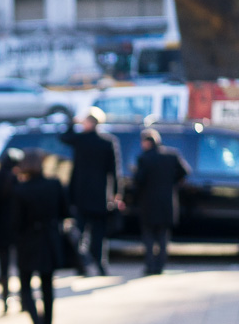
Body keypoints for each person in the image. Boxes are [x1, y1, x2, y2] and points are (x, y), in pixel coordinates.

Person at [12, 149, 70, 324]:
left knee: (26, 287)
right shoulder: (54, 185)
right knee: (47, 286)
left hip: (28, 241)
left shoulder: (20, 190)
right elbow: (65, 211)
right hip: (49, 238)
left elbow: (16, 222)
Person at [61, 107, 121, 276]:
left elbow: (64, 137)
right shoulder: (107, 142)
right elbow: (114, 171)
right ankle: (100, 265)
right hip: (99, 196)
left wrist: (72, 123)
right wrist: (116, 192)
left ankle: (82, 265)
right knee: (98, 235)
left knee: (79, 233)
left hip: (80, 195)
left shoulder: (81, 139)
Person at [134, 128, 190, 275]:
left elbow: (138, 180)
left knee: (149, 237)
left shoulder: (144, 158)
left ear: (147, 142)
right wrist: (173, 184)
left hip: (148, 203)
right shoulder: (172, 155)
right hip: (167, 202)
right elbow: (185, 172)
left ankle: (150, 265)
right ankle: (160, 266)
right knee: (163, 237)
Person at [0, 147, 23, 313]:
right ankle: (23, 298)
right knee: (22, 265)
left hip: (0, 229)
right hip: (17, 229)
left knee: (4, 266)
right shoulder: (17, 180)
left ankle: (5, 297)